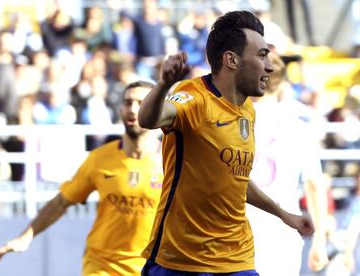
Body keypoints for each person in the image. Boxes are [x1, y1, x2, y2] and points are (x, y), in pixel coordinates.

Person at [137, 10, 315, 275]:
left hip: (236, 257)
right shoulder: (194, 98)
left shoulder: (247, 110)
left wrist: (283, 215)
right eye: (262, 56)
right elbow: (149, 119)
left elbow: (236, 179)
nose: (270, 67)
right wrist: (164, 84)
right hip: (183, 260)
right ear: (231, 60)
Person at [0, 81, 163, 276]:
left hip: (148, 267)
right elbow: (62, 201)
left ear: (155, 109)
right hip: (102, 265)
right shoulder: (100, 158)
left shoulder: (171, 161)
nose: (132, 109)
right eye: (127, 102)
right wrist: (26, 236)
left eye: (141, 103)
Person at [246, 52, 329, 275]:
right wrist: (320, 240)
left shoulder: (232, 122)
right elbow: (314, 185)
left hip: (238, 234)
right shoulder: (298, 127)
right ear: (282, 84)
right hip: (283, 234)